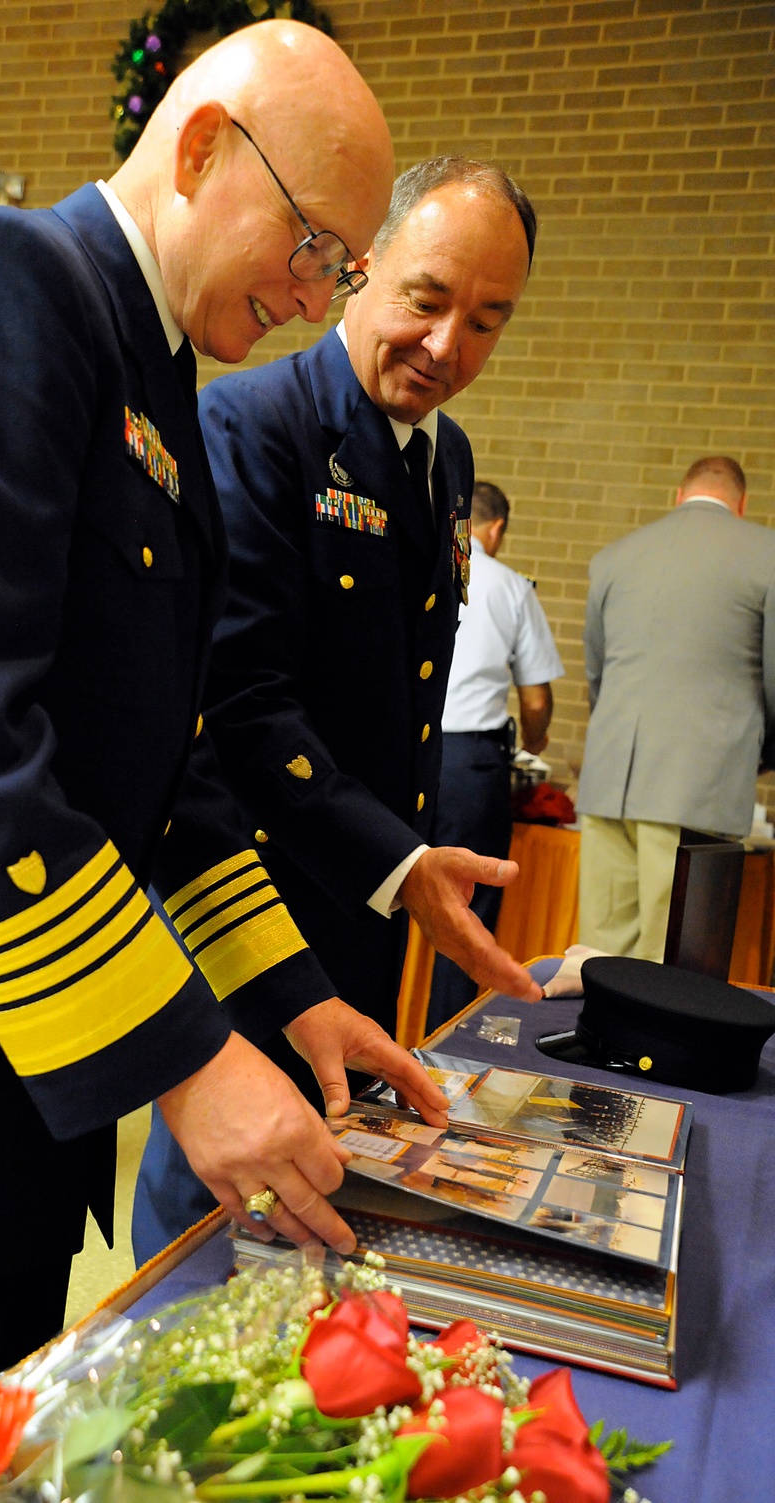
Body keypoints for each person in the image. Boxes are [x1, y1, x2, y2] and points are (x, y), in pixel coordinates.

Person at [0, 21, 451, 1433]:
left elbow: (165, 768)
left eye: (341, 267)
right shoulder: (2, 284)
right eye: (317, 244)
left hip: (5, 1115)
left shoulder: (149, 379)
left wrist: (296, 994)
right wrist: (192, 1063)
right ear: (204, 146)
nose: (316, 287)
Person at [134, 156, 545, 1263]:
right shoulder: (253, 428)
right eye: (426, 300)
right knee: (219, 1206)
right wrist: (401, 863)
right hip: (252, 899)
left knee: (324, 1182)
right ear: (360, 274)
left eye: (487, 321)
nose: (448, 347)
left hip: (368, 900)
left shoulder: (444, 458)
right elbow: (240, 701)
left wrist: (399, 873)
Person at [577, 455, 775, 960]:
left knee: (599, 956)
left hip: (609, 780)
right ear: (741, 503)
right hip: (696, 783)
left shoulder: (615, 556)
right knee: (670, 962)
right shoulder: (766, 555)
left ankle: (601, 1039)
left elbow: (596, 674)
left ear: (679, 496)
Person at [429, 480, 564, 1027]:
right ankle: (445, 1052)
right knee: (466, 917)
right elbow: (535, 696)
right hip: (470, 765)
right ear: (498, 529)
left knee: (376, 900)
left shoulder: (416, 564)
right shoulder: (511, 586)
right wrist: (534, 743)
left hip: (396, 755)